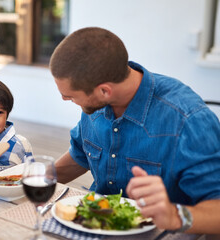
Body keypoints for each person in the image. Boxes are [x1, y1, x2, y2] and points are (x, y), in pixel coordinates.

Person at [49, 27, 220, 234]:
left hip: (164, 232)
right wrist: (31, 181)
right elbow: (80, 155)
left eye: (69, 95)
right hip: (94, 224)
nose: (65, 99)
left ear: (104, 90)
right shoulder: (95, 103)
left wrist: (174, 216)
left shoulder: (187, 120)